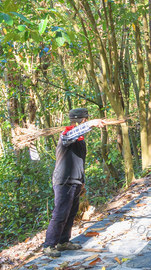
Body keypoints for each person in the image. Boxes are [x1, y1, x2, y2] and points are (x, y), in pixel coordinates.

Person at [42, 108, 106, 258]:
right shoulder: (66, 134)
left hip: (75, 181)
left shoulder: (80, 139)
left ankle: (63, 242)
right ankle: (49, 245)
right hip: (64, 181)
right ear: (83, 121)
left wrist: (81, 182)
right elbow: (70, 135)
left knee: (70, 213)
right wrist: (92, 124)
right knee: (60, 213)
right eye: (86, 120)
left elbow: (79, 161)